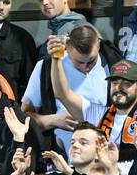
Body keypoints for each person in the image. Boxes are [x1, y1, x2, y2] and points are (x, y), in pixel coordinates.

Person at [25, 25, 121, 154]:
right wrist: (53, 120)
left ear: (98, 44)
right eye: (79, 62)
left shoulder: (113, 64)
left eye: (91, 61)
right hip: (59, 157)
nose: (85, 68)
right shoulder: (46, 67)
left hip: (103, 157)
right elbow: (24, 117)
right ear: (68, 47)